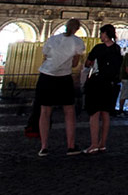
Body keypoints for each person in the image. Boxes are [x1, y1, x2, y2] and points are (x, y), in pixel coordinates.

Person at [35, 18, 86, 156]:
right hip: (64, 77)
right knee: (69, 111)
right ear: (77, 29)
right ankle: (70, 145)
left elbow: (45, 56)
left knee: (45, 111)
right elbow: (75, 64)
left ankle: (44, 146)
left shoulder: (52, 39)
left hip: (46, 76)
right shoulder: (77, 42)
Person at [84, 24, 122, 154]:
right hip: (110, 84)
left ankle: (93, 144)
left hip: (97, 82)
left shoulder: (99, 48)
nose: (100, 36)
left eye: (101, 34)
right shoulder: (117, 49)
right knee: (106, 114)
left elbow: (88, 63)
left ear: (106, 34)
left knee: (94, 113)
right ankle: (102, 144)